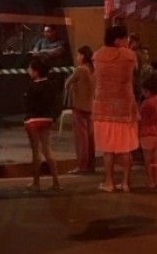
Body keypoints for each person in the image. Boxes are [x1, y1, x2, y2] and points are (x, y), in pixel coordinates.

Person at [92, 25, 139, 193]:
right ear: (118, 40)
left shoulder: (97, 55)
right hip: (125, 107)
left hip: (103, 107)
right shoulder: (129, 55)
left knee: (108, 150)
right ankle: (125, 183)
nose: (128, 42)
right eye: (126, 39)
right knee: (125, 149)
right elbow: (135, 71)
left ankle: (109, 182)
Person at [23, 56, 62, 192]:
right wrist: (54, 118)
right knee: (47, 149)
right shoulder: (50, 85)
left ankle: (36, 183)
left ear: (36, 71)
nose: (28, 71)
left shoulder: (31, 86)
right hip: (47, 120)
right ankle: (56, 182)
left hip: (33, 120)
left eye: (30, 69)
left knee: (36, 152)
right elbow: (55, 103)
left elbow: (27, 104)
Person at [65, 45, 96, 174]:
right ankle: (90, 165)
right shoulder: (93, 69)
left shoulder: (80, 69)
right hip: (91, 106)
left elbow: (67, 83)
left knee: (81, 138)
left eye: (78, 55)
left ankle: (82, 165)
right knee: (90, 137)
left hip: (79, 106)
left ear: (83, 56)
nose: (77, 57)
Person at [139, 75, 157, 188]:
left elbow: (142, 119)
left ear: (147, 90)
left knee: (148, 158)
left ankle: (151, 181)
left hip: (147, 133)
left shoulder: (146, 103)